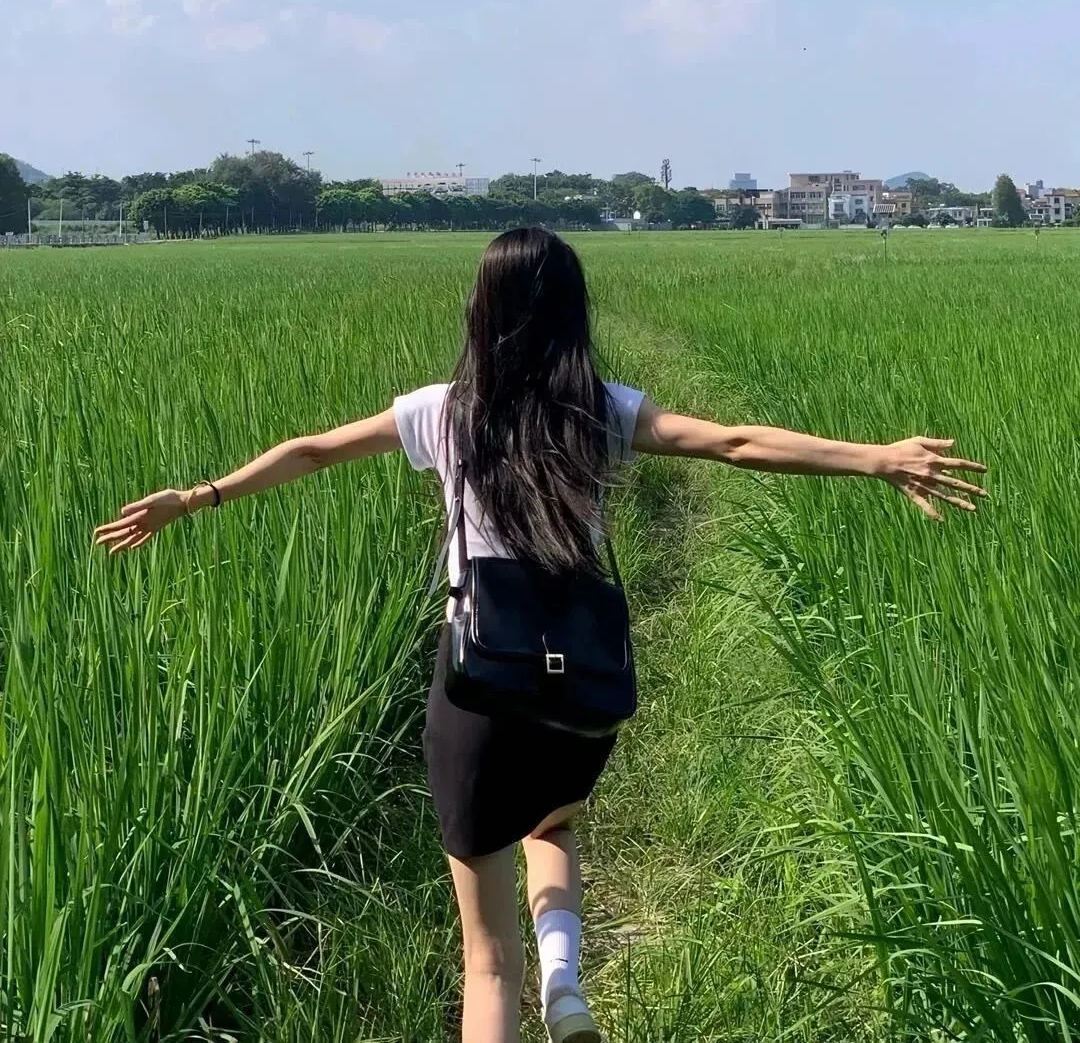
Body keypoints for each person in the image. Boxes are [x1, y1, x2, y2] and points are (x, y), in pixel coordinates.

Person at [94, 227, 988, 1043]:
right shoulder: (600, 410)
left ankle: (539, 985)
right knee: (551, 825)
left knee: (487, 965)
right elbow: (734, 443)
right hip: (580, 685)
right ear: (572, 312)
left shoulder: (443, 410)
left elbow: (314, 449)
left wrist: (198, 496)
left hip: (480, 681)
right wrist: (876, 458)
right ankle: (565, 982)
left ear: (480, 310)